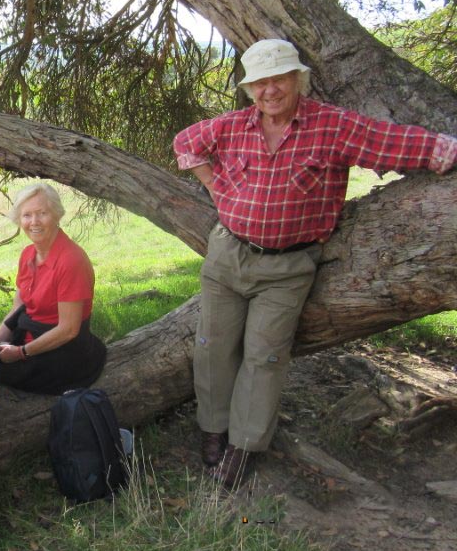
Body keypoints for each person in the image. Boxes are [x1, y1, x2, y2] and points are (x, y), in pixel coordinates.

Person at [173, 38, 457, 489]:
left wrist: (445, 151)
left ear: (297, 79)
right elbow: (185, 142)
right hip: (227, 255)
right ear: (250, 89)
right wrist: (217, 187)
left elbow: (389, 142)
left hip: (287, 268)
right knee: (212, 347)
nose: (271, 90)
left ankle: (244, 446)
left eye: (280, 78)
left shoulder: (332, 125)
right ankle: (214, 429)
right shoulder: (232, 126)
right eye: (261, 82)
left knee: (264, 357)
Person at [0, 182, 107, 394]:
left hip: (64, 353)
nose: (34, 222)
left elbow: (69, 330)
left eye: (42, 213)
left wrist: (20, 352)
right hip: (30, 339)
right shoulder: (28, 254)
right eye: (27, 215)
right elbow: (19, 308)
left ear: (56, 215)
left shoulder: (71, 260)